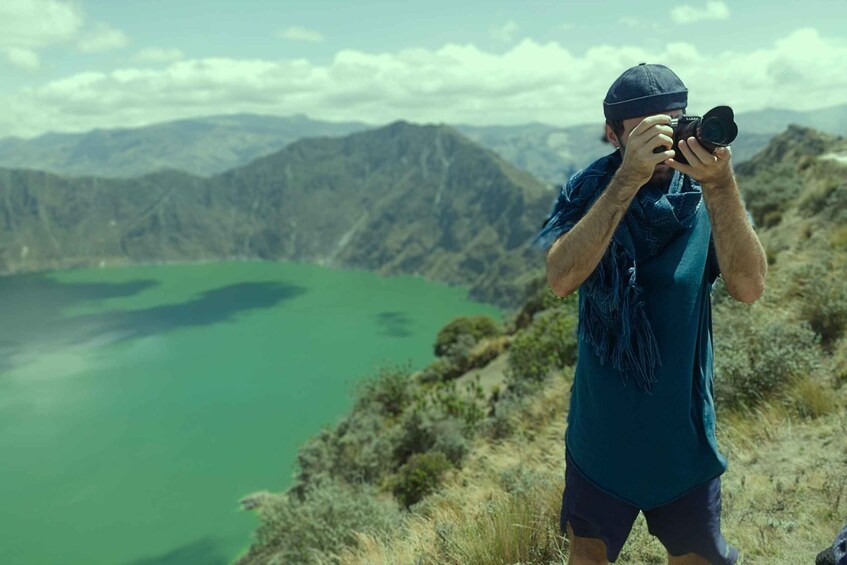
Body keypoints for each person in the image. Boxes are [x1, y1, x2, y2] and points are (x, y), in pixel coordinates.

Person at [531, 63, 767, 564]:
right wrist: (626, 180)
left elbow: (749, 287)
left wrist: (721, 187)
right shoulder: (590, 192)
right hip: (601, 439)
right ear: (612, 134)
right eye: (643, 134)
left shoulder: (708, 199)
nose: (663, 148)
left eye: (673, 125)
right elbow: (560, 277)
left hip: (682, 443)